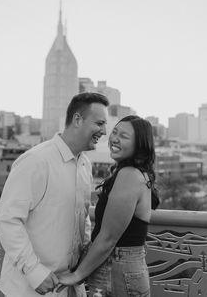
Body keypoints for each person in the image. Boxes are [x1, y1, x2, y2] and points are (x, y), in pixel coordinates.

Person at [0, 92, 109, 297]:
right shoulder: (35, 161)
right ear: (77, 119)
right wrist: (34, 272)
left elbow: (83, 220)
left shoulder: (85, 164)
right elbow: (8, 219)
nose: (104, 131)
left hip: (70, 286)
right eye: (99, 123)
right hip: (28, 289)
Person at [57, 115, 159, 297]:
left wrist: (77, 275)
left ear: (140, 144)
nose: (114, 139)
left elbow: (108, 238)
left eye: (124, 136)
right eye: (115, 132)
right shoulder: (135, 173)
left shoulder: (129, 175)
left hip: (116, 269)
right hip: (122, 268)